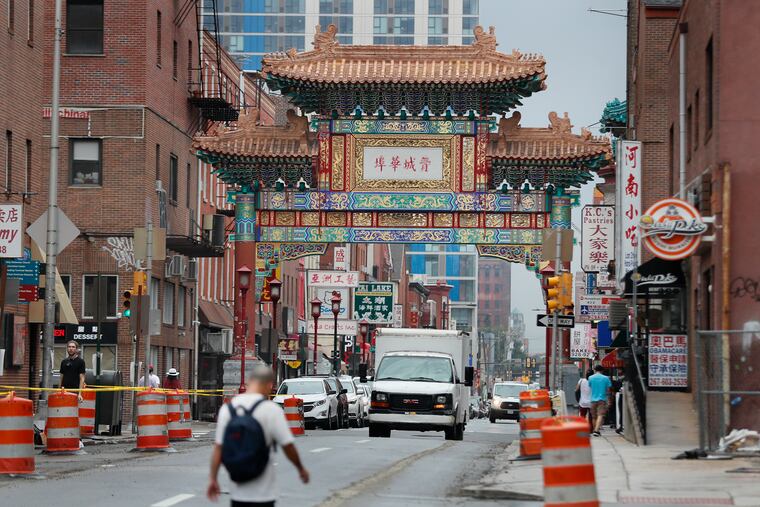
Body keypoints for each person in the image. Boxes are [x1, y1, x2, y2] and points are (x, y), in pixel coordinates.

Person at [208, 364, 309, 506]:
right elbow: (288, 446)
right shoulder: (271, 410)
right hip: (264, 495)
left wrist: (213, 478)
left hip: (237, 494)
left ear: (249, 381)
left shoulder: (228, 409)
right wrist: (300, 469)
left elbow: (219, 448)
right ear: (269, 385)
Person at [588, 365, 613, 437]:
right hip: (602, 399)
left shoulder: (590, 378)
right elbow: (608, 390)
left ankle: (595, 431)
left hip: (593, 399)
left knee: (594, 417)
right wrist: (609, 399)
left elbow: (590, 386)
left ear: (595, 370)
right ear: (602, 370)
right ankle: (596, 430)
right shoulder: (606, 378)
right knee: (600, 415)